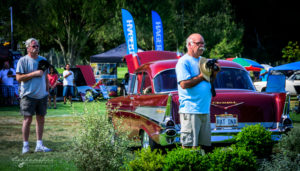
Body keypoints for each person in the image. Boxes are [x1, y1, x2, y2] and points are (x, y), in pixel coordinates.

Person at [175, 33, 219, 150]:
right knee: (190, 146)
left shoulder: (203, 60)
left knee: (204, 147)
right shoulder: (184, 62)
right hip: (190, 110)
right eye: (198, 43)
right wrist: (201, 76)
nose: (201, 46)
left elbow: (209, 81)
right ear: (189, 45)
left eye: (203, 43)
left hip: (204, 110)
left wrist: (214, 73)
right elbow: (184, 84)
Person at [16, 38, 51, 154]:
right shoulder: (22, 61)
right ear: (28, 48)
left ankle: (39, 145)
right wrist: (34, 74)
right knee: (27, 120)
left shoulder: (43, 60)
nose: (37, 48)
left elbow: (45, 76)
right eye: (34, 46)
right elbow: (19, 78)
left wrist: (47, 90)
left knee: (41, 119)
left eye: (37, 46)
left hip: (42, 95)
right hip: (28, 95)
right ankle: (25, 146)